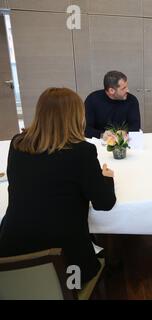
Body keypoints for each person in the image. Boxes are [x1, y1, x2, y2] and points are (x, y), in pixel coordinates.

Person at [0, 88, 117, 285]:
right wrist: (106, 178)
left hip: (11, 258)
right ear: (76, 116)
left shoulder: (17, 144)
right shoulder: (82, 152)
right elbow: (104, 203)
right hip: (66, 263)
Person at [85, 71, 141, 138]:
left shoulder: (132, 100)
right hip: (99, 142)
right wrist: (101, 135)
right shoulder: (92, 100)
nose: (128, 90)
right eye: (123, 88)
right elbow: (85, 129)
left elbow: (135, 127)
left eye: (126, 87)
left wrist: (125, 133)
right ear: (111, 91)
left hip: (124, 142)